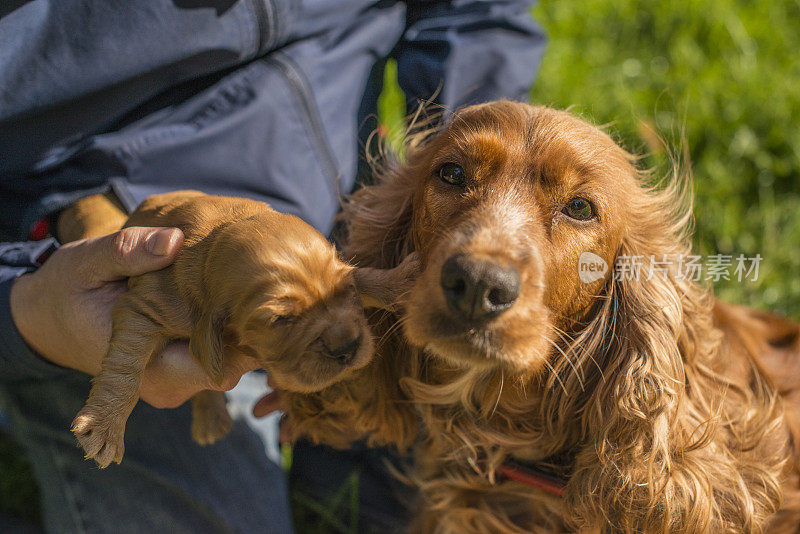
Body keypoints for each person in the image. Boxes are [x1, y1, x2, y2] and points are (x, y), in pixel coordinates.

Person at [0, 1, 545, 532]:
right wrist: (27, 309)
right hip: (83, 252)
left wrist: (464, 187)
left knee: (426, 487)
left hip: (334, 241)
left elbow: (475, 11)